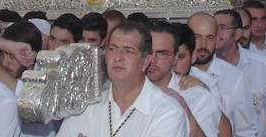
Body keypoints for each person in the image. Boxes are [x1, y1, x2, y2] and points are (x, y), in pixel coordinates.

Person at [57, 21, 188, 136]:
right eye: (112, 49)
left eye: (128, 51)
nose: (118, 57)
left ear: (145, 61)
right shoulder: (85, 105)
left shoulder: (167, 112)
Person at [217, 9, 266, 137]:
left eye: (222, 27)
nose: (215, 33)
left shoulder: (261, 64)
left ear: (237, 33)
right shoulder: (202, 68)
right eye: (213, 28)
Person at [147, 21, 221, 137]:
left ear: (175, 57)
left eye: (162, 53)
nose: (153, 60)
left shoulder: (197, 97)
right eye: (149, 52)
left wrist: (186, 113)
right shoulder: (126, 92)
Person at [187, 12, 255, 137]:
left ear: (217, 41)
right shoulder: (175, 72)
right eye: (197, 37)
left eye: (210, 38)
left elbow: (246, 130)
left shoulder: (235, 77)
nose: (203, 45)